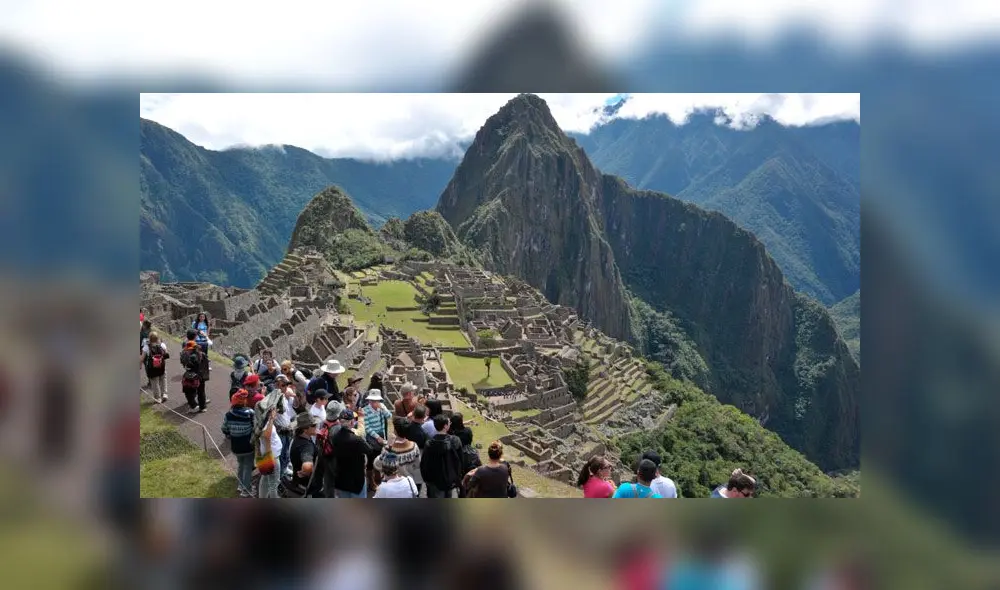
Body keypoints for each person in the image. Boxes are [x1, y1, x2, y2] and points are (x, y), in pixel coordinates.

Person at [330, 409, 373, 498]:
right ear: (352, 422)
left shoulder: (334, 437)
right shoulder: (356, 439)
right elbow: (369, 450)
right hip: (356, 480)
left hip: (341, 479)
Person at [374, 417, 423, 495]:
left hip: (391, 484)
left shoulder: (388, 449)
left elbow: (377, 465)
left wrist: (388, 446)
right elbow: (418, 464)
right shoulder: (414, 446)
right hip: (408, 483)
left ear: (395, 431)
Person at [221, 390, 255, 497]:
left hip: (236, 446)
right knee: (248, 467)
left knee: (241, 465)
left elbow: (224, 428)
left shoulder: (228, 415)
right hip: (248, 446)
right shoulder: (250, 413)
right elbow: (254, 427)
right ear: (244, 401)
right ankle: (246, 490)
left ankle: (240, 486)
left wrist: (230, 434)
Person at [420, 414, 463, 498]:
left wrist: (427, 480)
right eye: (449, 423)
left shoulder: (429, 443)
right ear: (445, 426)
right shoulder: (455, 440)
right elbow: (460, 460)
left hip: (435, 481)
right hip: (451, 479)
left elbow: (425, 463)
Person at [254, 392, 284, 498]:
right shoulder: (264, 422)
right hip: (271, 456)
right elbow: (267, 436)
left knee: (265, 479)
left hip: (266, 454)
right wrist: (271, 418)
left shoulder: (259, 421)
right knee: (273, 484)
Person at [362, 389, 392, 490]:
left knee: (381, 455)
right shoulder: (365, 410)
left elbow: (389, 416)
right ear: (369, 401)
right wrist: (377, 437)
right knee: (371, 458)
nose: (375, 403)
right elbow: (367, 427)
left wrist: (383, 408)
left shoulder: (381, 408)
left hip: (381, 434)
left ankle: (378, 475)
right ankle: (371, 481)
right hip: (372, 436)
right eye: (373, 401)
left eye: (377, 401)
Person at [287, 413, 323, 497]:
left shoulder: (298, 438)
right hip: (307, 487)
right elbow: (307, 466)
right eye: (313, 425)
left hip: (298, 482)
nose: (316, 427)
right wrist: (307, 471)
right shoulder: (306, 446)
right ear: (305, 429)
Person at [180, 330, 211, 414]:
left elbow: (189, 366)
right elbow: (206, 363)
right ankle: (203, 407)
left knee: (188, 391)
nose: (188, 350)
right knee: (201, 391)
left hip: (193, 376)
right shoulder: (202, 354)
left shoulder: (192, 356)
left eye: (189, 349)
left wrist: (187, 366)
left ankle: (194, 405)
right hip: (201, 376)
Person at [272, 374, 295, 476]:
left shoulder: (284, 397)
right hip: (280, 432)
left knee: (286, 453)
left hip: (287, 430)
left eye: (286, 385)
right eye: (283, 385)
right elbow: (271, 417)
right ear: (276, 385)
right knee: (280, 456)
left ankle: (284, 471)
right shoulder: (274, 399)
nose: (286, 387)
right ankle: (279, 478)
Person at [141, 331, 169, 403]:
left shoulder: (146, 347)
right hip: (161, 366)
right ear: (157, 338)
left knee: (154, 383)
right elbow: (166, 353)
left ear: (149, 339)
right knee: (163, 379)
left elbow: (142, 358)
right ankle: (164, 394)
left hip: (152, 368)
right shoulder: (162, 345)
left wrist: (140, 365)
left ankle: (158, 398)